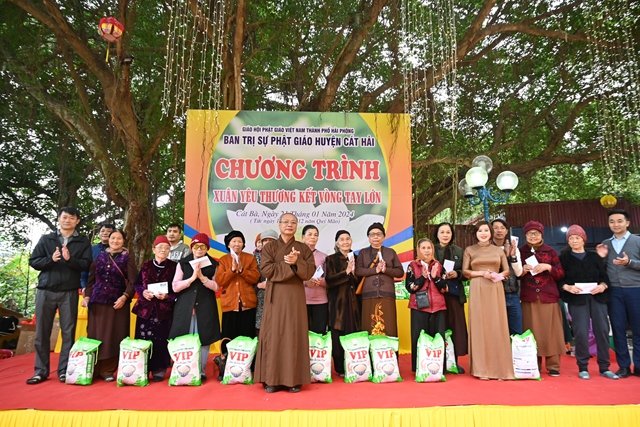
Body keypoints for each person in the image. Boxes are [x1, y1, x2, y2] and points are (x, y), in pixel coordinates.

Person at [27, 207, 92, 385]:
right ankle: (40, 371)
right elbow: (34, 261)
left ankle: (64, 371)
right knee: (42, 332)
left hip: (69, 291)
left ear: (77, 221)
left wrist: (70, 259)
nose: (67, 220)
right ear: (59, 219)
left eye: (71, 218)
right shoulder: (47, 239)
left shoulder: (82, 241)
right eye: (64, 217)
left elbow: (87, 265)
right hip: (45, 290)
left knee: (68, 333)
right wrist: (51, 259)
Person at [254, 213, 316, 393]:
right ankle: (271, 379)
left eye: (293, 222)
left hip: (295, 297)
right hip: (275, 296)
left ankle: (293, 380)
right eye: (286, 222)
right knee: (273, 334)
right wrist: (289, 264)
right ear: (279, 225)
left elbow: (309, 271)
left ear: (297, 226)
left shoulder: (303, 248)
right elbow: (266, 270)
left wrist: (297, 262)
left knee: (294, 334)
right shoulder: (270, 247)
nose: (289, 225)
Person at [559, 225, 618, 380]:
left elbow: (604, 277)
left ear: (584, 239)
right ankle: (583, 366)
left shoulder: (594, 257)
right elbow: (559, 279)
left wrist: (602, 286)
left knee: (602, 330)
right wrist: (567, 287)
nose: (574, 241)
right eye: (571, 238)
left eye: (577, 238)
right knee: (581, 332)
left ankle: (604, 367)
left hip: (597, 298)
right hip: (577, 299)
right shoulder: (564, 258)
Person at [83, 229, 137, 381]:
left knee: (114, 335)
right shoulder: (100, 256)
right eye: (113, 238)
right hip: (97, 302)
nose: (115, 241)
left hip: (117, 303)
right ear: (108, 239)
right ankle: (94, 368)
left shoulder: (127, 258)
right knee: (95, 335)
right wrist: (87, 296)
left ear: (124, 241)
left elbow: (134, 281)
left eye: (119, 238)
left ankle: (108, 370)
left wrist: (125, 297)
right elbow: (91, 279)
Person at [462, 221, 514, 380]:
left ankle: (500, 368)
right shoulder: (470, 250)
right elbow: (465, 272)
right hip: (477, 287)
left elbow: (507, 271)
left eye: (486, 230)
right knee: (480, 326)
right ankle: (481, 369)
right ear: (475, 233)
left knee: (497, 325)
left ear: (491, 233)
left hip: (495, 287)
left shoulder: (498, 251)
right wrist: (482, 274)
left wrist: (497, 275)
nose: (483, 233)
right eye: (480, 231)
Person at [169, 232, 220, 381]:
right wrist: (191, 279)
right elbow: (175, 287)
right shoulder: (182, 263)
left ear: (207, 248)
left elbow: (217, 287)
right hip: (185, 306)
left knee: (204, 337)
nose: (199, 250)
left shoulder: (214, 264)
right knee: (184, 336)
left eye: (202, 247)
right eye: (196, 246)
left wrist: (203, 278)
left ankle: (201, 371)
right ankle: (183, 368)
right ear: (191, 248)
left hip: (205, 306)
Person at [596, 209, 640, 378]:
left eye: (620, 221)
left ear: (627, 223)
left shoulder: (637, 241)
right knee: (618, 328)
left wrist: (629, 262)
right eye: (612, 221)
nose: (616, 224)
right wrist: (600, 257)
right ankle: (623, 366)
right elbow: (601, 269)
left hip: (636, 289)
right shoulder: (605, 243)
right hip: (614, 291)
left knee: (638, 329)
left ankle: (639, 365)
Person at [518, 220, 565, 377]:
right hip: (529, 297)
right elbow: (514, 275)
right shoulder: (520, 252)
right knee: (531, 331)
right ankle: (533, 364)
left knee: (551, 331)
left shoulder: (550, 251)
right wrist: (523, 270)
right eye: (529, 233)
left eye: (536, 233)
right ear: (525, 235)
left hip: (548, 296)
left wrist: (548, 267)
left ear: (541, 235)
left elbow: (561, 274)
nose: (533, 236)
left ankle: (553, 365)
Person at [132, 235, 177, 382]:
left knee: (161, 340)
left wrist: (168, 296)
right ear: (154, 249)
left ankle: (159, 369)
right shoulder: (146, 265)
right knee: (143, 339)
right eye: (160, 247)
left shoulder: (174, 266)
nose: (163, 250)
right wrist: (143, 292)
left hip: (164, 310)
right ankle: (142, 368)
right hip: (146, 309)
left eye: (167, 248)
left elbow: (177, 288)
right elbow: (137, 284)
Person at [215, 231, 260, 358]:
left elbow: (255, 278)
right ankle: (226, 362)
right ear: (228, 244)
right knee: (228, 336)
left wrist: (242, 270)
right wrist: (232, 270)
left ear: (243, 244)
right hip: (230, 304)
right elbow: (220, 281)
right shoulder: (223, 260)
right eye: (234, 241)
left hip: (248, 304)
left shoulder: (250, 258)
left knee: (247, 336)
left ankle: (247, 364)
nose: (237, 244)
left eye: (240, 241)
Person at [355, 222, 404, 337]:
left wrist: (386, 270)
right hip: (369, 294)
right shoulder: (363, 253)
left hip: (387, 294)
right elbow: (358, 271)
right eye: (372, 234)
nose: (375, 237)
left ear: (384, 236)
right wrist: (375, 270)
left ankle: (389, 349)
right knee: (369, 325)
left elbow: (400, 272)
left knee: (388, 326)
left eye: (379, 234)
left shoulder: (391, 252)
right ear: (368, 237)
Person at [406, 238, 447, 372]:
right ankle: (419, 367)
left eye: (429, 248)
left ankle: (439, 368)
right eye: (423, 248)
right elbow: (410, 287)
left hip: (438, 307)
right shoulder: (412, 266)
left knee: (438, 338)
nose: (426, 251)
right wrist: (422, 278)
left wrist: (436, 277)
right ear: (418, 250)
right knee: (418, 338)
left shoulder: (438, 265)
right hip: (419, 307)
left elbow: (445, 288)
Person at [433, 222, 468, 373]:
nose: (445, 235)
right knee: (439, 327)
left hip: (454, 295)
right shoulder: (431, 249)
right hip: (436, 294)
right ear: (437, 234)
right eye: (442, 232)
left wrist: (457, 274)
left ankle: (454, 362)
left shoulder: (459, 251)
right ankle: (437, 362)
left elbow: (466, 272)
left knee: (456, 328)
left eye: (448, 232)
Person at [325, 230, 361, 377]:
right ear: (337, 243)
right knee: (337, 334)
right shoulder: (331, 259)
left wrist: (353, 273)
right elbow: (329, 280)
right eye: (342, 239)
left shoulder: (357, 258)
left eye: (348, 239)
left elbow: (361, 281)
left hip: (355, 303)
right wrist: (346, 272)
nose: (345, 242)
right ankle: (339, 368)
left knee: (353, 332)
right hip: (338, 303)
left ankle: (354, 365)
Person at [491, 219, 524, 335]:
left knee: (516, 331)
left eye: (502, 228)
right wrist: (504, 256)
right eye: (495, 228)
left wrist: (512, 256)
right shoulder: (488, 250)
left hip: (513, 294)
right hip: (496, 294)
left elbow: (519, 273)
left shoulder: (514, 248)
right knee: (498, 331)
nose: (499, 230)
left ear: (506, 231)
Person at [302, 225, 328, 334]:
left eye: (315, 235)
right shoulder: (295, 256)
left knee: (319, 334)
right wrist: (305, 282)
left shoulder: (324, 256)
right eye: (310, 234)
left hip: (320, 301)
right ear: (303, 237)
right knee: (302, 332)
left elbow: (329, 279)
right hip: (301, 300)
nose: (313, 237)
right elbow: (291, 278)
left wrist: (321, 281)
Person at [253, 229, 278, 335]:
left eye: (271, 240)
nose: (268, 243)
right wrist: (258, 285)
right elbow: (250, 279)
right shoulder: (255, 258)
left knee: (277, 325)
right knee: (261, 327)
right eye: (265, 240)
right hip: (261, 296)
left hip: (278, 296)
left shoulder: (282, 257)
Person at [80, 223, 114, 288]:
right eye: (102, 231)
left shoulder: (120, 251)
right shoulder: (92, 250)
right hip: (93, 286)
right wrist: (84, 286)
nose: (105, 233)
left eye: (108, 231)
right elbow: (84, 270)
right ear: (99, 234)